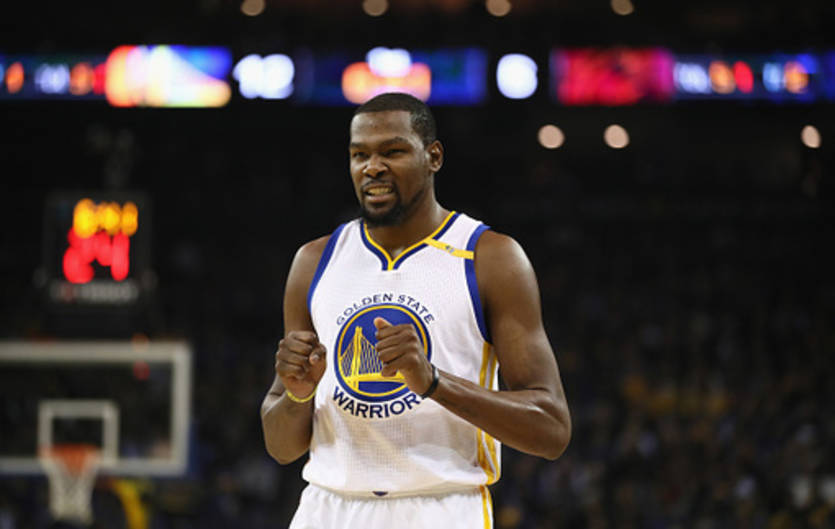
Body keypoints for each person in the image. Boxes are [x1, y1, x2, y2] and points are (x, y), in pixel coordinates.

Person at [260, 92, 571, 529]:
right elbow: (281, 447)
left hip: (441, 508)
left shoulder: (491, 258)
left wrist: (434, 382)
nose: (372, 167)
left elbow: (552, 430)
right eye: (359, 155)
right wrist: (298, 394)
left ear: (433, 157)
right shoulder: (314, 261)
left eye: (392, 151)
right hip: (326, 509)